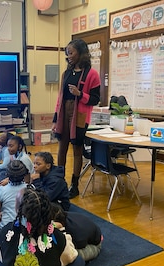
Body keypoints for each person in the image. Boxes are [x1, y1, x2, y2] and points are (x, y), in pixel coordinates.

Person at [0, 187, 84, 266]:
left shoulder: (6, 233)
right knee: (78, 260)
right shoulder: (57, 236)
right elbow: (69, 257)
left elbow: (0, 256)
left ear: (17, 210)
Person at [51, 39, 101, 199]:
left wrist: (81, 94)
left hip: (79, 115)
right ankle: (60, 182)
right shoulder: (66, 73)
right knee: (61, 148)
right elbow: (60, 98)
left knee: (77, 149)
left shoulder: (92, 74)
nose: (68, 56)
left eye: (71, 53)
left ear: (81, 52)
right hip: (64, 112)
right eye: (67, 53)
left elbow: (95, 99)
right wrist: (55, 118)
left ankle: (74, 184)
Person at [0, 160, 28, 230]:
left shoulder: (1, 190)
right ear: (24, 174)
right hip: (25, 228)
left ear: (7, 175)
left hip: (5, 228)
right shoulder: (30, 188)